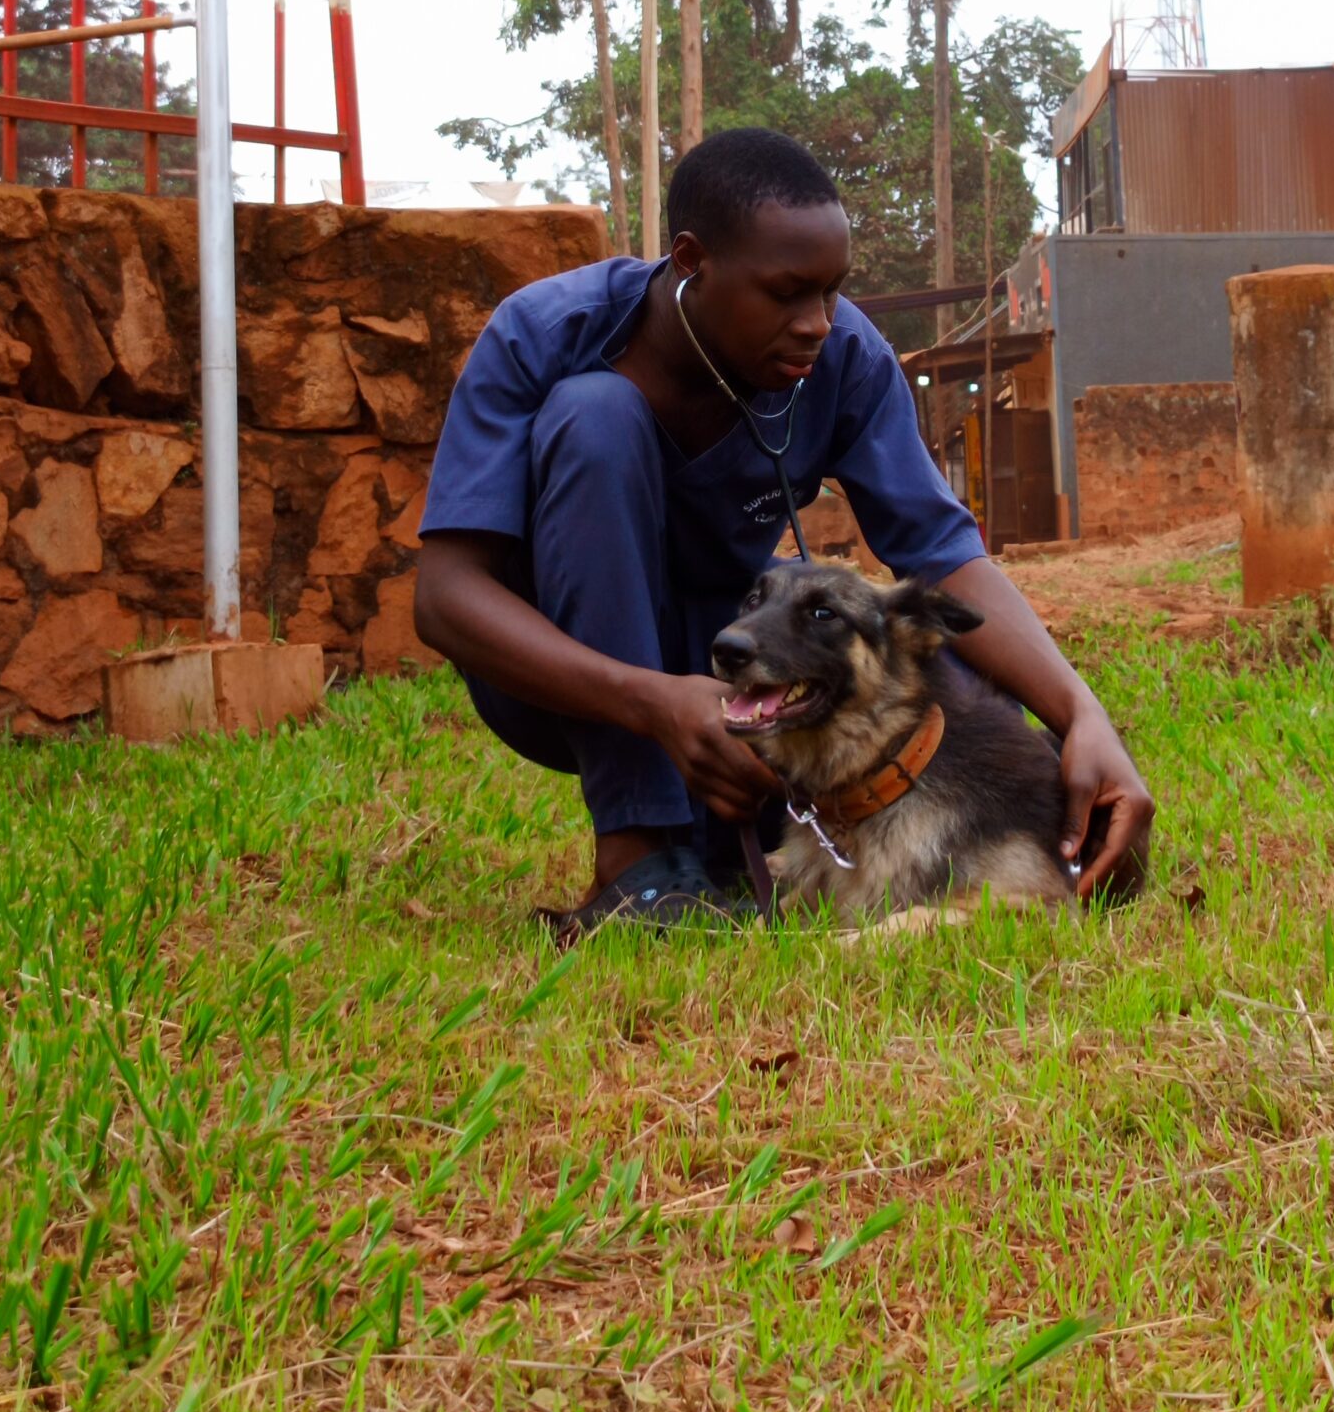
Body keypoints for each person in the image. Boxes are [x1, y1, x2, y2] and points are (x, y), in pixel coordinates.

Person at [413, 127, 1154, 937]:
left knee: (949, 685)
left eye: (832, 292)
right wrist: (654, 700)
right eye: (787, 292)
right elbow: (446, 599)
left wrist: (1082, 716)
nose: (818, 323)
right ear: (693, 261)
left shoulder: (844, 359)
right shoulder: (543, 333)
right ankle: (639, 868)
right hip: (573, 672)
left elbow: (944, 557)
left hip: (746, 662)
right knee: (595, 417)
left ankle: (774, 852)